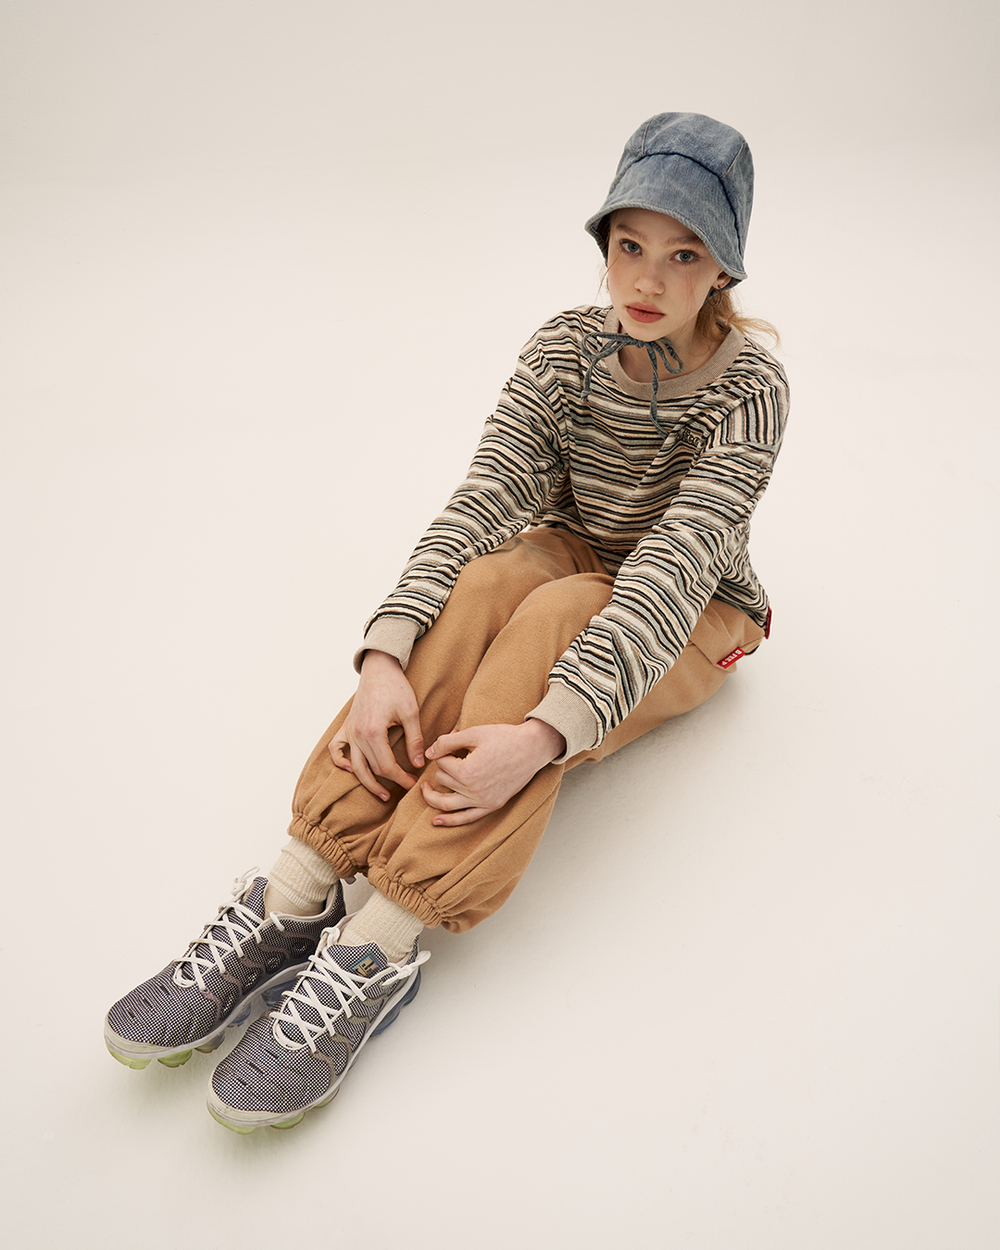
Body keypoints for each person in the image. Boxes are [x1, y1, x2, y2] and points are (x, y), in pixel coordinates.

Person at [104, 112, 789, 1133]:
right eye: (629, 245)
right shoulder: (564, 348)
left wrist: (542, 736)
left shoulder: (749, 390)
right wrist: (385, 659)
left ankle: (377, 943)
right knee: (487, 581)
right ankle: (297, 890)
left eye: (683, 254)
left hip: (697, 611)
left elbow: (668, 568)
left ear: (723, 266)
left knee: (557, 612)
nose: (647, 278)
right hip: (573, 545)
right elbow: (486, 495)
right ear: (603, 245)